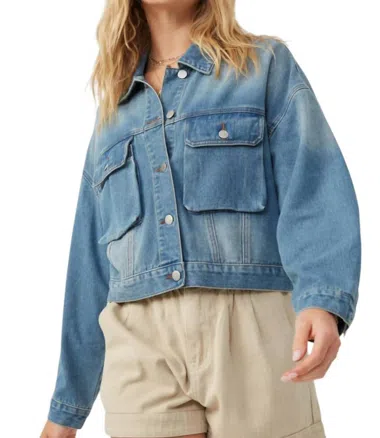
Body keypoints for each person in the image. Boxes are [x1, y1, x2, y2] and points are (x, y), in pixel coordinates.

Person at [40, 0, 361, 437]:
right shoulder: (113, 110)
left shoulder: (263, 66)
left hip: (249, 326)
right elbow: (90, 261)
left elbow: (314, 183)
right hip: (137, 338)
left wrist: (323, 299)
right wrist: (67, 407)